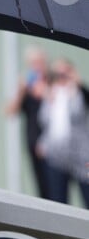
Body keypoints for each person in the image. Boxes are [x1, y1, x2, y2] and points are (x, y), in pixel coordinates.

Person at [36, 58, 89, 207]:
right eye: (57, 74)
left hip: (82, 156)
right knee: (58, 202)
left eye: (65, 73)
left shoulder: (79, 92)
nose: (61, 77)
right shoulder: (51, 94)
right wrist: (43, 143)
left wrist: (77, 83)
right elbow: (47, 123)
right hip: (56, 155)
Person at [5, 45, 50, 199]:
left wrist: (45, 92)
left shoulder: (52, 84)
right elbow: (10, 111)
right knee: (41, 186)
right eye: (33, 63)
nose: (37, 67)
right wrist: (21, 90)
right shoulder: (27, 89)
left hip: (54, 145)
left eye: (39, 63)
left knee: (56, 188)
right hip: (33, 141)